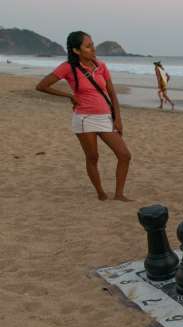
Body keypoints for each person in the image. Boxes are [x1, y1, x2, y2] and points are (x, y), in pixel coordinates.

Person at [36, 31, 132, 201]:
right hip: (84, 119)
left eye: (92, 44)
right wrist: (69, 96)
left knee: (124, 154)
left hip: (105, 118)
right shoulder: (68, 68)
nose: (93, 49)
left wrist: (118, 118)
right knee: (93, 157)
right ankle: (101, 192)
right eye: (88, 46)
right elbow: (42, 86)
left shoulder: (101, 66)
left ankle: (119, 194)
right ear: (76, 51)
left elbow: (112, 93)